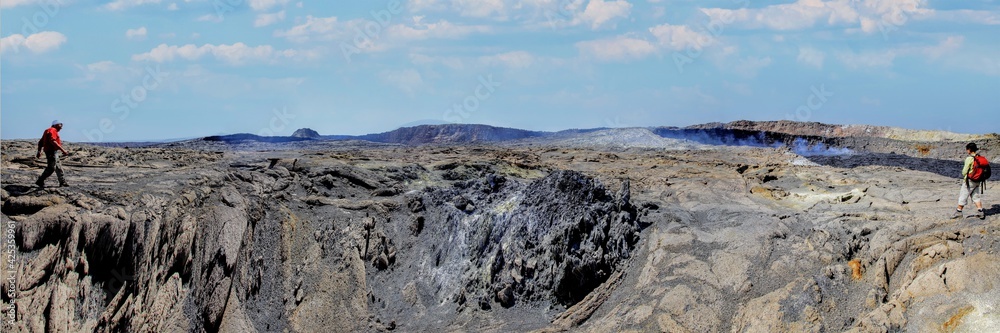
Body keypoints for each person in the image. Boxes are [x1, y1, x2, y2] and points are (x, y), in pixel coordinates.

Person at [953, 142, 985, 220]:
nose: (967, 151)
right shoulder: (979, 157)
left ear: (969, 150)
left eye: (967, 149)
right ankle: (980, 211)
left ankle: (959, 212)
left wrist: (964, 175)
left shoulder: (969, 158)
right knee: (975, 195)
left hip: (970, 180)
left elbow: (964, 171)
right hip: (978, 180)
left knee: (963, 195)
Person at [35, 120, 70, 188]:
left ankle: (62, 182)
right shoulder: (52, 130)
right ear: (56, 124)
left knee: (58, 167)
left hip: (52, 151)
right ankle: (40, 180)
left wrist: (39, 151)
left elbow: (41, 142)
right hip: (51, 152)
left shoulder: (47, 130)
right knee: (51, 168)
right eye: (60, 125)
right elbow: (53, 141)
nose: (61, 128)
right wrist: (63, 150)